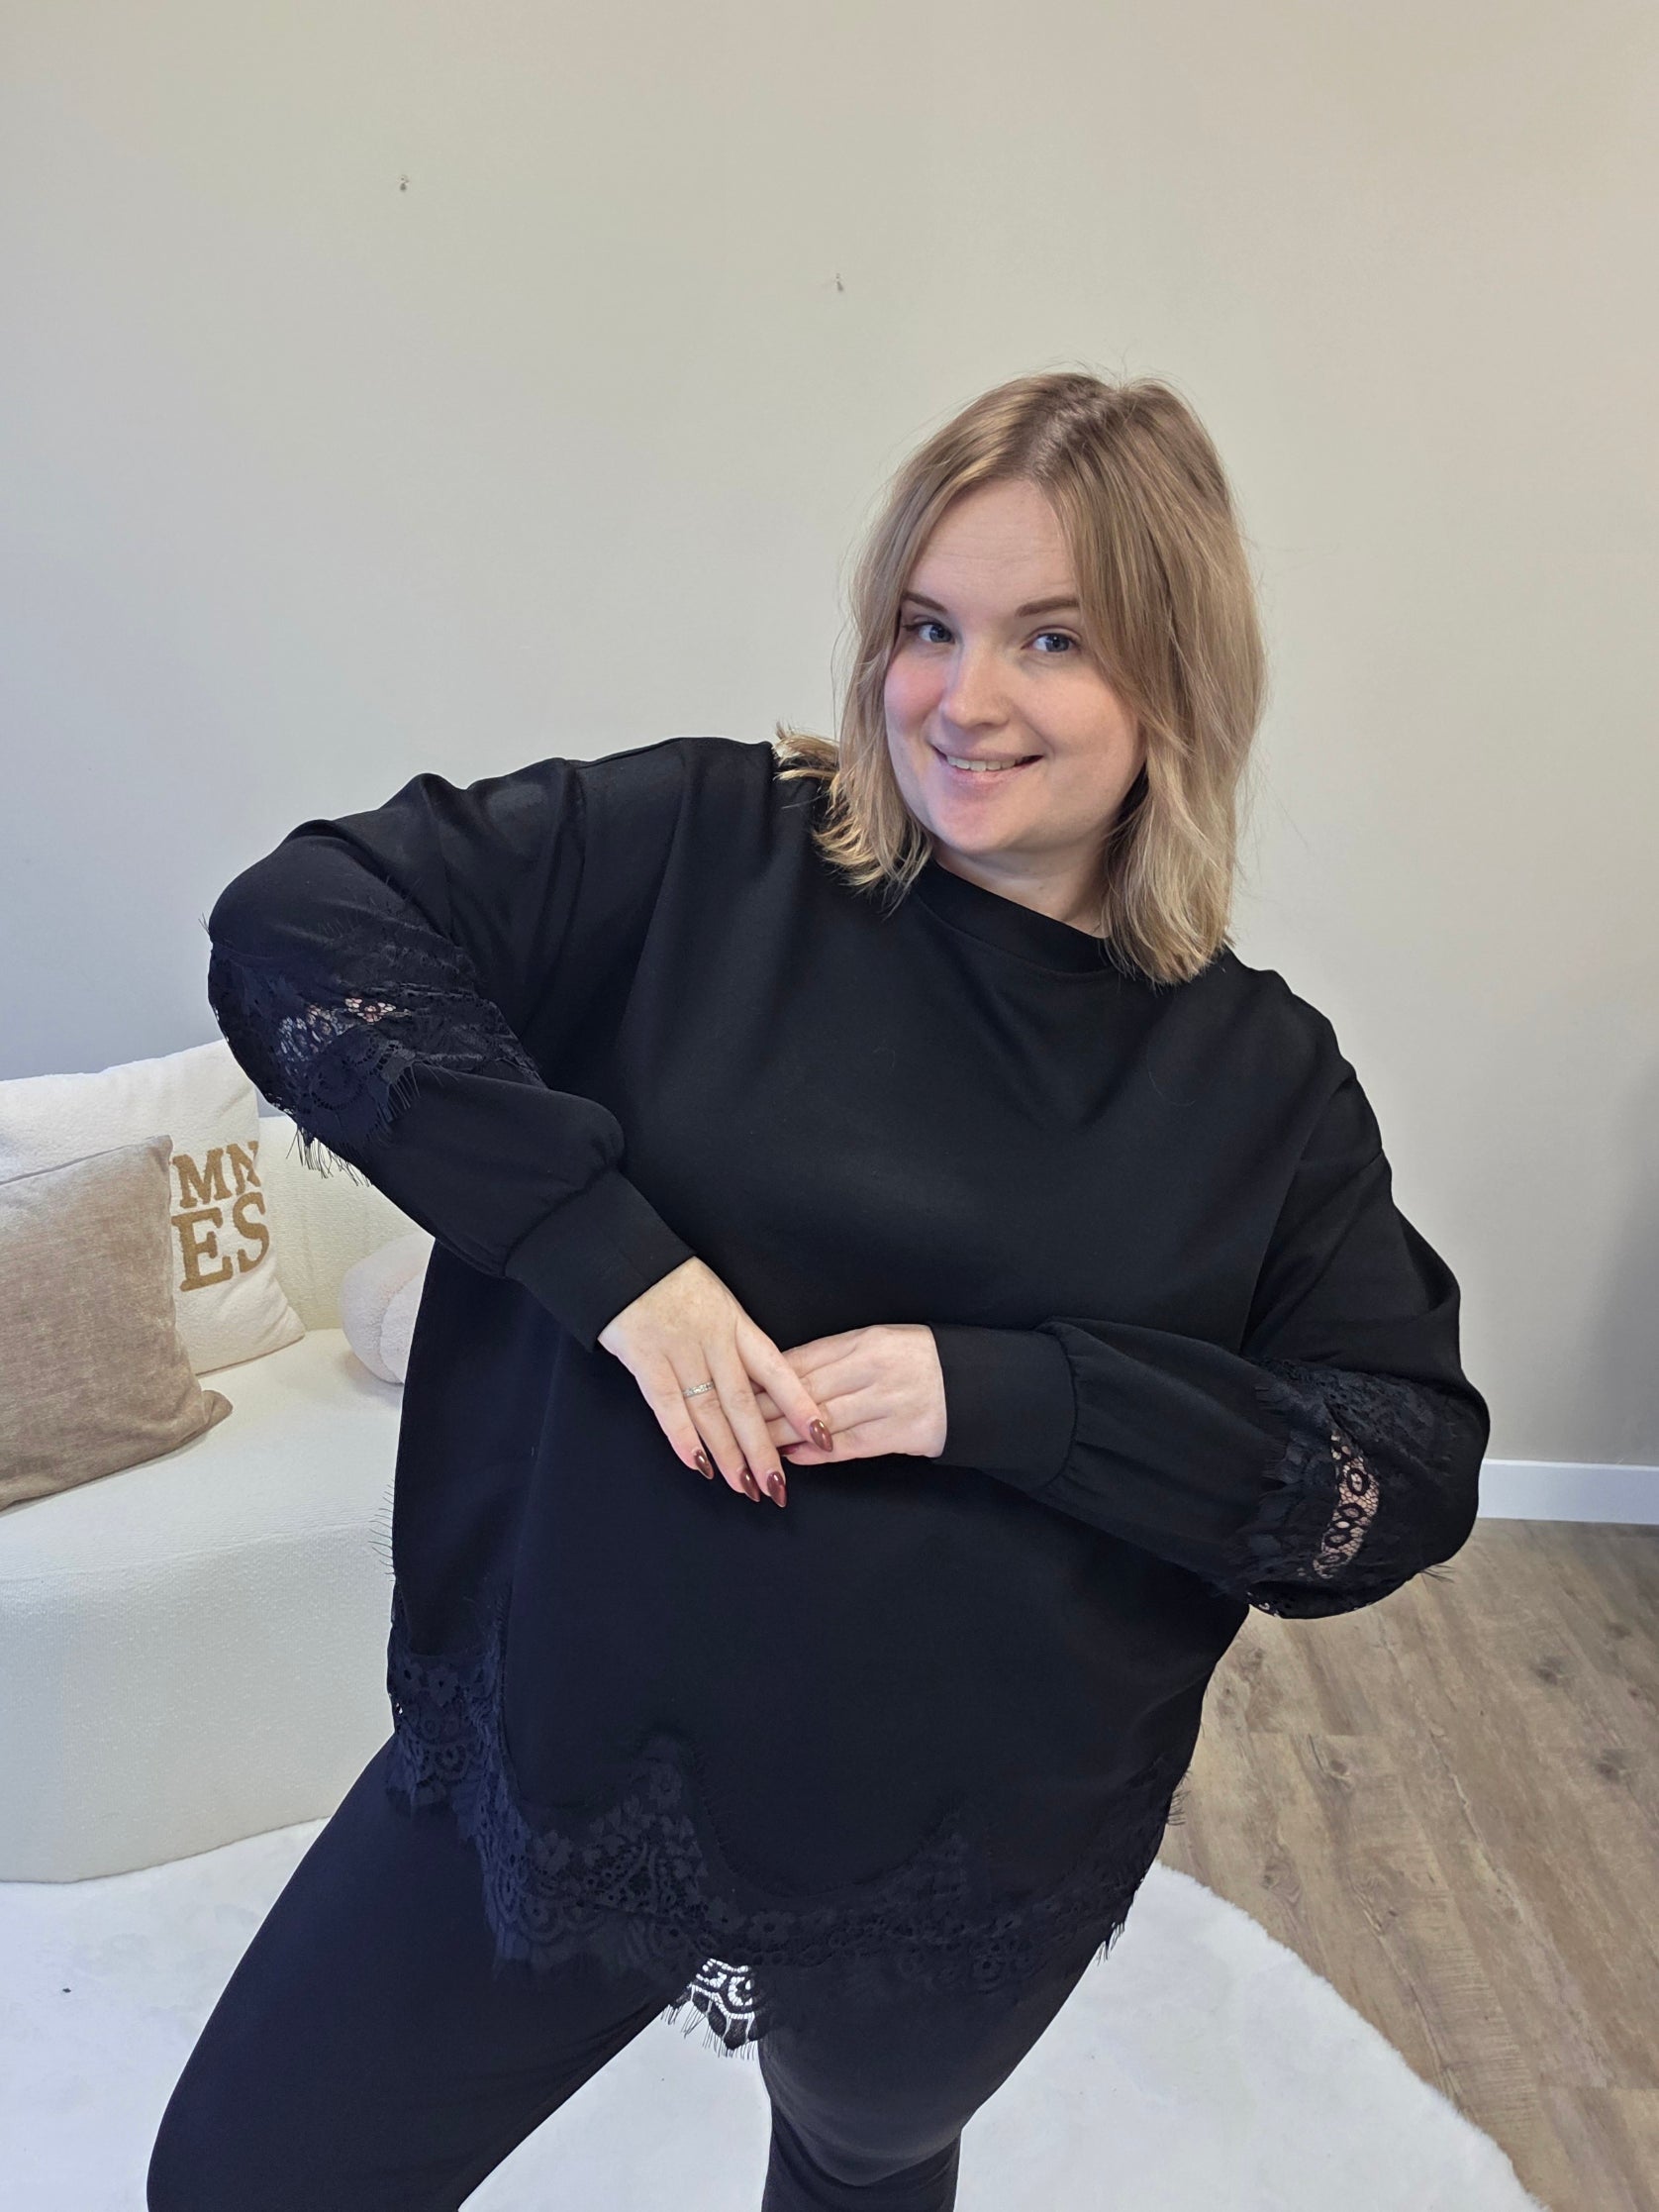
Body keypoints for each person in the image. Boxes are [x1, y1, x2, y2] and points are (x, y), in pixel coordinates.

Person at [147, 368, 1490, 2211]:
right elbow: (299, 924)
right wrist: (617, 1265)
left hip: (953, 1852)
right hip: (571, 1741)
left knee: (860, 2161)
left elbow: (1395, 1471)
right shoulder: (709, 847)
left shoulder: (1261, 1085)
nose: (964, 696)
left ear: (1177, 683)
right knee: (245, 2174)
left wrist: (1011, 1394)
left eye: (1053, 639)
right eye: (927, 626)